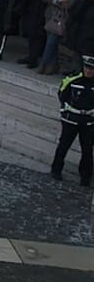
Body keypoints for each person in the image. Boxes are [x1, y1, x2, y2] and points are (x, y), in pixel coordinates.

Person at [52, 55, 94, 186]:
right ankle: (56, 169)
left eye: (92, 69)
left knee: (87, 150)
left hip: (88, 121)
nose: (89, 71)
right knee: (64, 145)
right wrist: (65, 112)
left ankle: (85, 176)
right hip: (71, 119)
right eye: (87, 67)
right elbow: (62, 94)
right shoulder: (73, 79)